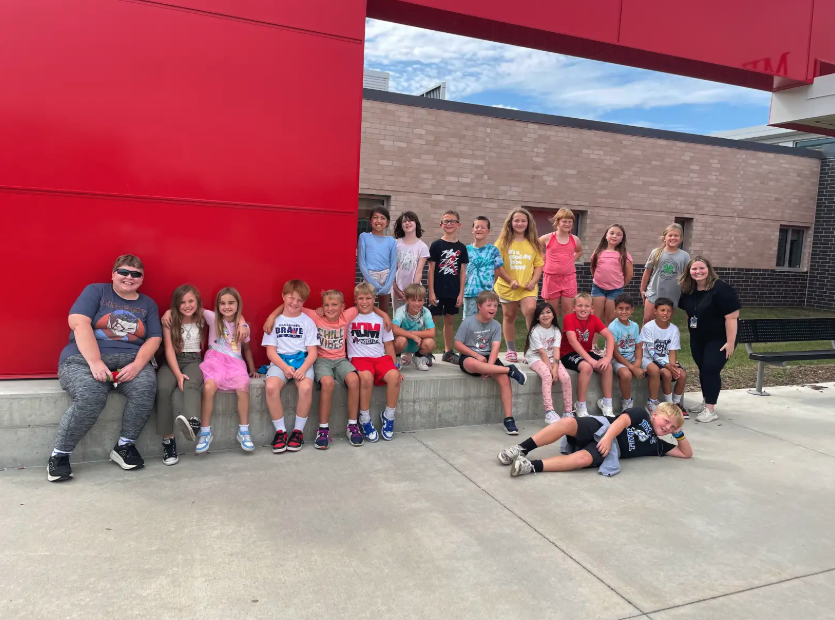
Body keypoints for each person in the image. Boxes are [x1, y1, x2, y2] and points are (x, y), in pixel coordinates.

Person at [47, 254, 162, 482]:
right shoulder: (95, 291)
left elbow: (154, 339)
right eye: (124, 272)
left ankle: (124, 446)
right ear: (113, 274)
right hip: (83, 359)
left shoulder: (148, 304)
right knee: (91, 395)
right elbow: (78, 322)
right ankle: (59, 455)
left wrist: (138, 365)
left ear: (142, 278)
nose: (129, 277)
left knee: (146, 387)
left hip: (130, 360)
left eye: (136, 274)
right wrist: (95, 361)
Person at [262, 289, 391, 448]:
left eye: (334, 305)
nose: (330, 308)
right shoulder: (316, 316)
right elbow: (291, 306)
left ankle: (352, 425)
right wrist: (272, 316)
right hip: (322, 360)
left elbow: (365, 306)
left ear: (343, 306)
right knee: (327, 383)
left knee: (354, 380)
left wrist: (384, 314)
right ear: (321, 307)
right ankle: (322, 429)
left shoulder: (347, 315)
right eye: (327, 305)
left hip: (341, 360)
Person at [497, 402, 692, 477]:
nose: (668, 428)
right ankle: (521, 448)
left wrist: (678, 434)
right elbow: (622, 421)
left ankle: (530, 466)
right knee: (568, 423)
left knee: (583, 460)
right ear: (655, 414)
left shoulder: (657, 445)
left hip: (610, 450)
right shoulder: (641, 414)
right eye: (666, 421)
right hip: (604, 427)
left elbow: (686, 453)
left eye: (672, 428)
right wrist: (607, 437)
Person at [454, 290, 527, 435]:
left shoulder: (496, 325)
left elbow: (495, 347)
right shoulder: (468, 322)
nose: (493, 308)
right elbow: (458, 344)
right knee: (471, 364)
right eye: (489, 305)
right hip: (471, 356)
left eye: (495, 305)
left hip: (489, 358)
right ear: (479, 306)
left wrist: (490, 367)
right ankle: (509, 369)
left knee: (504, 380)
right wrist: (476, 355)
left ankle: (509, 419)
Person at [678, 256, 741, 423]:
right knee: (703, 368)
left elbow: (732, 317)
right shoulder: (688, 289)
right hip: (698, 337)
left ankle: (710, 410)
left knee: (711, 368)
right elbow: (688, 311)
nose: (698, 272)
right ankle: (706, 402)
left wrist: (730, 342)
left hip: (720, 337)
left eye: (702, 268)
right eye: (694, 269)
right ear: (689, 271)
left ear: (709, 269)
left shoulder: (721, 289)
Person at [197, 287, 258, 453]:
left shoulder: (244, 328)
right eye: (222, 303)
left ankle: (244, 430)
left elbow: (246, 349)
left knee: (243, 385)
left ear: (238, 304)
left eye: (231, 303)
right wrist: (168, 313)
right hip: (215, 360)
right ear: (218, 306)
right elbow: (194, 307)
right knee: (209, 387)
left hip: (235, 362)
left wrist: (252, 369)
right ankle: (205, 431)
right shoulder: (213, 317)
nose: (227, 306)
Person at [262, 280, 320, 453]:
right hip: (280, 362)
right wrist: (285, 368)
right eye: (291, 298)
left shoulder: (307, 322)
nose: (294, 303)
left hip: (302, 361)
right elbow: (271, 352)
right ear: (283, 297)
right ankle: (280, 432)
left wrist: (302, 369)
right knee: (271, 387)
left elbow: (313, 352)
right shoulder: (275, 322)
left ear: (304, 302)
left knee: (306, 387)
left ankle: (298, 432)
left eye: (299, 300)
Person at [156, 285, 205, 465]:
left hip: (194, 360)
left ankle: (193, 422)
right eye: (182, 302)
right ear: (176, 304)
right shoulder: (170, 320)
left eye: (191, 301)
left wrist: (243, 322)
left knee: (191, 384)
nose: (187, 305)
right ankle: (168, 441)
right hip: (173, 360)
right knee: (162, 389)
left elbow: (227, 314)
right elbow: (168, 349)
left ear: (197, 301)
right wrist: (177, 374)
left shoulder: (202, 316)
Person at [349, 282, 403, 441]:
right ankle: (364, 417)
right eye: (360, 298)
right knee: (366, 377)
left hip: (380, 358)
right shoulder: (349, 317)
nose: (364, 302)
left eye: (368, 298)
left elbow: (388, 345)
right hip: (359, 358)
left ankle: (389, 416)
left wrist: (395, 366)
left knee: (394, 376)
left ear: (374, 299)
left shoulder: (381, 319)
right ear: (355, 300)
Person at [492, 207, 545, 362]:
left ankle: (531, 349)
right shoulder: (502, 242)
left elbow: (539, 265)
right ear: (511, 222)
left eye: (523, 220)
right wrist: (510, 281)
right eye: (516, 220)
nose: (520, 223)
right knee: (509, 316)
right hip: (507, 286)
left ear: (528, 223)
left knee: (530, 309)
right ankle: (511, 349)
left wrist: (533, 282)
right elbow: (497, 265)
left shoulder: (534, 243)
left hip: (527, 287)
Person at [560, 292, 615, 416]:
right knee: (587, 367)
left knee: (608, 367)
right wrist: (591, 360)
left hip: (586, 352)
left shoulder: (594, 319)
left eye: (586, 306)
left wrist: (607, 358)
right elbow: (573, 342)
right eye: (579, 306)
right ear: (573, 308)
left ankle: (606, 404)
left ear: (592, 309)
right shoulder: (569, 318)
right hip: (567, 353)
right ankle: (580, 406)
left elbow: (610, 337)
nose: (583, 309)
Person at [428, 210, 469, 363]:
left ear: (458, 225)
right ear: (441, 225)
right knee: (432, 319)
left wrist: (461, 293)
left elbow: (463, 272)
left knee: (450, 319)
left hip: (453, 290)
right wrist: (431, 292)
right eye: (446, 221)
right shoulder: (436, 245)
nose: (449, 224)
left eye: (452, 221)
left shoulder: (462, 248)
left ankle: (448, 351)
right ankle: (426, 351)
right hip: (438, 289)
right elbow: (431, 269)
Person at [523, 302, 573, 424]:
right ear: (537, 317)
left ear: (553, 315)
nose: (545, 315)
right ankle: (549, 412)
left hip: (551, 358)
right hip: (536, 358)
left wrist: (555, 368)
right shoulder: (535, 331)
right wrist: (551, 371)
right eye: (541, 313)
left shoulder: (556, 330)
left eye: (548, 312)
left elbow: (556, 350)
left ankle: (568, 411)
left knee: (565, 377)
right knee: (547, 375)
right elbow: (541, 352)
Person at [640, 297, 687, 414]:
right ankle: (660, 404)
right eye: (662, 310)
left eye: (668, 311)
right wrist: (667, 366)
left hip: (665, 359)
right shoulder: (648, 327)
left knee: (682, 374)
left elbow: (672, 351)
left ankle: (676, 404)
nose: (665, 313)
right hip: (647, 358)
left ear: (672, 312)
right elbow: (651, 351)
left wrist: (673, 366)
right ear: (655, 311)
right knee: (665, 373)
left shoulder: (674, 329)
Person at [640, 223, 690, 324]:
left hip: (671, 296)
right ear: (664, 237)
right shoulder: (656, 252)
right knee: (647, 322)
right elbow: (647, 272)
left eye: (676, 235)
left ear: (681, 239)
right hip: (654, 293)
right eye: (670, 235)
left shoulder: (684, 256)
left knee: (663, 323)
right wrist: (642, 289)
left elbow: (687, 277)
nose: (673, 238)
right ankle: (645, 340)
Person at [540, 208, 583, 321]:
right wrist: (544, 259)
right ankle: (552, 336)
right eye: (564, 221)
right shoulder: (547, 238)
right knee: (550, 311)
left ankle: (567, 336)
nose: (567, 224)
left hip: (568, 278)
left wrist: (571, 260)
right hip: (551, 278)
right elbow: (535, 250)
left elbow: (579, 251)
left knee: (568, 311)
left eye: (570, 221)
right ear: (557, 221)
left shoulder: (575, 239)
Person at [463, 216, 507, 319]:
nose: (479, 229)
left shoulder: (493, 250)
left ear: (488, 231)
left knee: (486, 322)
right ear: (472, 230)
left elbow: (497, 270)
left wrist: (490, 286)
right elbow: (462, 271)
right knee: (469, 323)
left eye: (483, 227)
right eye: (477, 227)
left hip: (486, 294)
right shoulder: (466, 250)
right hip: (469, 293)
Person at [590, 224, 633, 325]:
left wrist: (619, 284)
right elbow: (593, 269)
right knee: (595, 318)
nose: (614, 236)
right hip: (598, 288)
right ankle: (593, 341)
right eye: (612, 233)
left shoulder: (624, 254)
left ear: (622, 238)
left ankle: (609, 341)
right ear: (606, 235)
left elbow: (629, 274)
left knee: (611, 320)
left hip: (615, 290)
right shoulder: (597, 252)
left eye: (618, 234)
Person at [357, 206, 397, 314]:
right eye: (375, 217)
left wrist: (388, 284)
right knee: (365, 307)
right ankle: (367, 329)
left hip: (386, 275)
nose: (379, 221)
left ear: (387, 222)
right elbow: (361, 262)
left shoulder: (391, 241)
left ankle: (383, 330)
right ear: (370, 221)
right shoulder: (364, 237)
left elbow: (393, 264)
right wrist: (371, 281)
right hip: (370, 275)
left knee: (384, 310)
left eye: (383, 218)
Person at [608, 293, 644, 412]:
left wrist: (637, 363)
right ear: (615, 309)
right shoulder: (613, 327)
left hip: (632, 357)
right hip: (617, 359)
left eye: (627, 309)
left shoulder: (634, 326)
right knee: (626, 374)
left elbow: (638, 347)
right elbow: (615, 353)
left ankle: (652, 402)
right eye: (620, 308)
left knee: (653, 369)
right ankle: (627, 403)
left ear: (632, 310)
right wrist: (632, 368)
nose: (624, 312)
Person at [392, 211, 430, 315]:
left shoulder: (422, 246)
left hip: (414, 289)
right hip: (397, 289)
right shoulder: (395, 244)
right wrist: (396, 289)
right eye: (404, 221)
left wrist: (411, 292)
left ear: (416, 223)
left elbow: (419, 272)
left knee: (413, 319)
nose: (407, 223)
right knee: (398, 317)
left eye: (410, 220)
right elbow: (392, 269)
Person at [392, 283, 436, 371]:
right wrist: (412, 336)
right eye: (413, 300)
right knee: (401, 340)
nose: (417, 303)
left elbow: (432, 332)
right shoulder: (401, 311)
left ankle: (418, 357)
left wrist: (413, 333)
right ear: (407, 300)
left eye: (420, 300)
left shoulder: (425, 312)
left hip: (417, 343)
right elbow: (394, 328)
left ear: (424, 301)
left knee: (430, 343)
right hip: (402, 343)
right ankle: (397, 357)